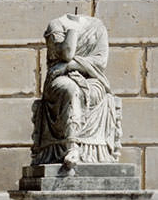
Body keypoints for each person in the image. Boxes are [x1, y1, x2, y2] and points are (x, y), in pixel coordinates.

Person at [31, 13, 122, 169]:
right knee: (70, 90)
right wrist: (71, 34)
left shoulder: (97, 27)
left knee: (94, 93)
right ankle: (71, 146)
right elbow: (66, 53)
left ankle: (93, 151)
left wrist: (72, 65)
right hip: (59, 77)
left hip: (91, 78)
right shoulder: (56, 25)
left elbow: (100, 61)